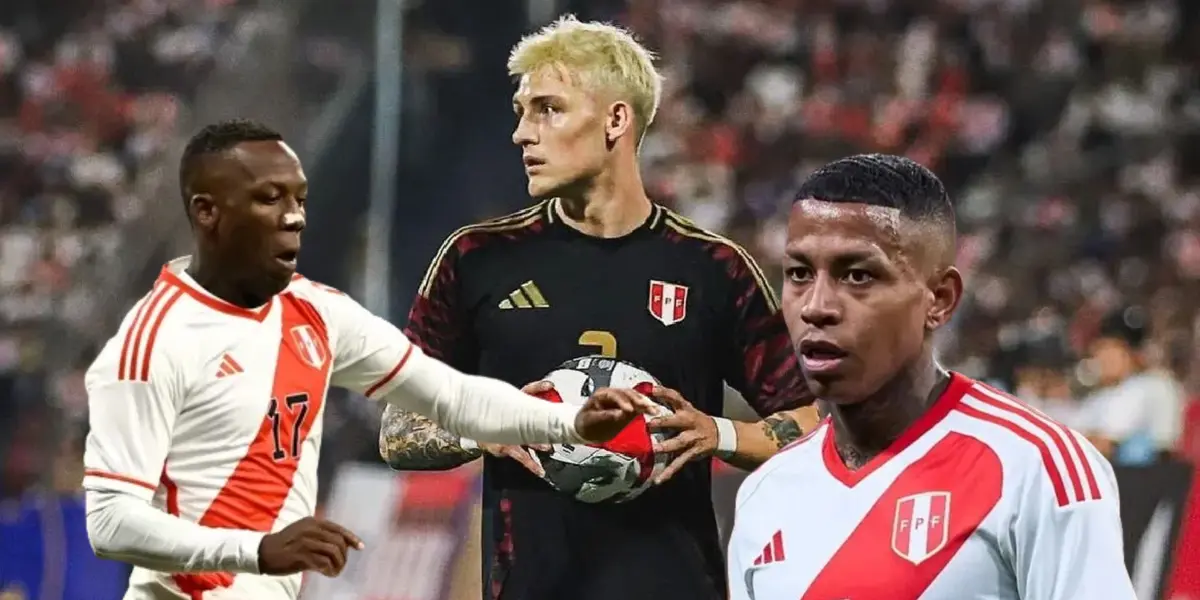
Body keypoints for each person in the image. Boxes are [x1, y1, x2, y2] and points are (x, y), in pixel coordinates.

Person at [81, 119, 658, 600]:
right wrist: (254, 548)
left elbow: (448, 395)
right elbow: (109, 521)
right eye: (268, 198)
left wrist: (568, 421)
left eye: (299, 199)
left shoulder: (317, 313)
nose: (294, 217)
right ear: (207, 212)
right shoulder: (153, 342)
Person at [378, 16, 818, 600]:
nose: (522, 134)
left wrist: (720, 434)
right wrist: (493, 426)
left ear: (616, 120)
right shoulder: (477, 258)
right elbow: (398, 431)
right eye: (520, 111)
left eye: (548, 109)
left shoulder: (714, 267)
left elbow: (816, 426)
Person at [727, 154, 1135, 599]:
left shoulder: (1036, 468)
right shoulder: (765, 495)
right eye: (799, 274)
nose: (816, 306)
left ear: (939, 299)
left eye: (859, 275)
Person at [1080, 306, 1185, 465]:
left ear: (1133, 354)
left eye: (1113, 349)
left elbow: (1104, 444)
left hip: (1151, 479)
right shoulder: (1099, 396)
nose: (1104, 357)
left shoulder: (1154, 386)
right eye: (1101, 349)